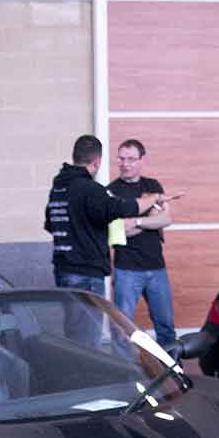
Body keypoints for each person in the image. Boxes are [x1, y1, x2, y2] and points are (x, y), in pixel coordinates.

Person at [44, 134, 163, 345]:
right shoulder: (89, 189)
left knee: (74, 336)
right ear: (97, 161)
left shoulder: (59, 189)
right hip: (86, 275)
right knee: (88, 340)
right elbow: (121, 209)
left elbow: (51, 224)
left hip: (64, 272)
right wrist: (153, 198)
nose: (125, 164)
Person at [108, 138, 176, 352]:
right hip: (126, 270)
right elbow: (117, 232)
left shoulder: (153, 186)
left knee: (166, 327)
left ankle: (171, 367)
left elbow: (166, 219)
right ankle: (124, 370)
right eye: (121, 159)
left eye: (131, 159)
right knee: (122, 331)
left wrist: (136, 222)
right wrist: (150, 219)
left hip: (157, 268)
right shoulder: (110, 192)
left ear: (141, 161)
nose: (125, 164)